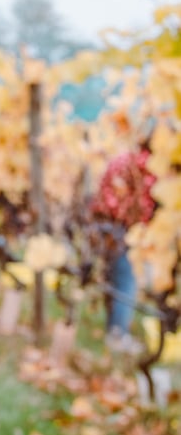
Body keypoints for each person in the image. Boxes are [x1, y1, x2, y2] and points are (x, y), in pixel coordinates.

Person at [90, 138, 157, 341]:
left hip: (103, 224)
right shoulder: (149, 165)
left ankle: (113, 329)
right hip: (125, 229)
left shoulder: (123, 158)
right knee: (126, 281)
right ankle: (118, 334)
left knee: (113, 278)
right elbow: (147, 204)